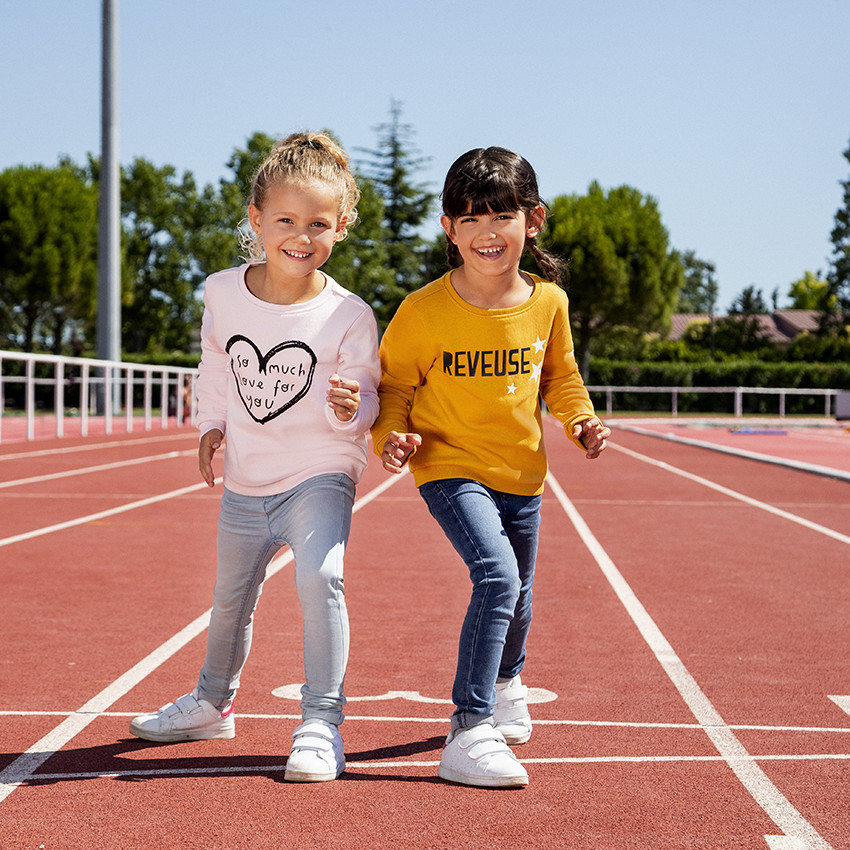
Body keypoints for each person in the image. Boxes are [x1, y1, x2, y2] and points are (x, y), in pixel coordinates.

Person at [129, 132, 380, 783]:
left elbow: (367, 403)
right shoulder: (222, 292)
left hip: (320, 472)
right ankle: (212, 703)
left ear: (341, 226)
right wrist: (210, 424)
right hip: (246, 476)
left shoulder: (350, 315)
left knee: (320, 577)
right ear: (256, 219)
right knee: (229, 597)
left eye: (318, 224)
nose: (301, 236)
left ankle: (321, 723)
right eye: (286, 221)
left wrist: (351, 407)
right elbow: (216, 362)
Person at [371, 146, 609, 788]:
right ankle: (470, 727)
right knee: (498, 576)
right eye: (470, 219)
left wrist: (581, 421)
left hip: (523, 472)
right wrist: (390, 437)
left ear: (533, 219)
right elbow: (393, 389)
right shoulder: (423, 310)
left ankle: (507, 683)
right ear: (449, 228)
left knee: (520, 597)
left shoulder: (549, 302)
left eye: (501, 215)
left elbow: (560, 378)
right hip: (449, 466)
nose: (486, 231)